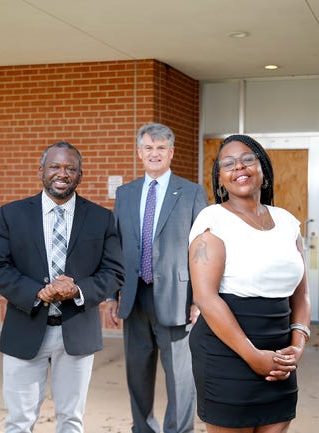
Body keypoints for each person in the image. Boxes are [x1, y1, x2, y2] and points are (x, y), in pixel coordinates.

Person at [0, 141, 124, 433]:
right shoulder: (12, 214)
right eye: (55, 167)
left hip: (76, 332)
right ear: (41, 172)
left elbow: (114, 272)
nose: (63, 173)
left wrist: (78, 290)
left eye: (70, 168)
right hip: (25, 328)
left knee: (71, 421)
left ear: (80, 176)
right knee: (18, 421)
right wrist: (37, 291)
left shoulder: (101, 218)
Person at [188, 134, 311, 433]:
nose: (238, 167)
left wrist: (297, 345)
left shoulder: (287, 222)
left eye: (247, 159)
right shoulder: (212, 221)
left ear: (263, 169)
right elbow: (206, 299)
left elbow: (301, 294)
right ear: (220, 179)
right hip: (226, 352)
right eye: (228, 163)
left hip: (280, 354)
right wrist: (253, 356)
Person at [106, 123, 208, 433]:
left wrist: (200, 299)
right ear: (139, 152)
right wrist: (112, 294)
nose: (154, 153)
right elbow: (115, 246)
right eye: (148, 148)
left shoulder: (191, 192)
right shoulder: (125, 194)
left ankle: (178, 430)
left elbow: (203, 250)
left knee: (179, 377)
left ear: (171, 153)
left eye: (161, 148)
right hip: (134, 297)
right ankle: (143, 428)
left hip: (178, 299)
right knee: (137, 374)